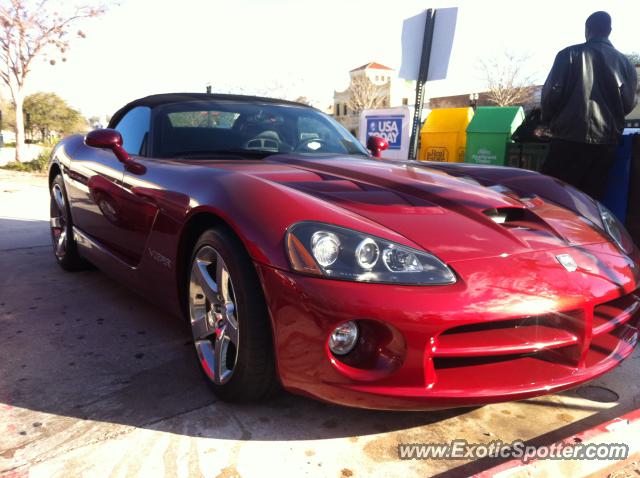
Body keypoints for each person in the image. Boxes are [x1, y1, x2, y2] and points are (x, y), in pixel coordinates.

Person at [541, 11, 637, 200]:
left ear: (587, 30)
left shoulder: (568, 55)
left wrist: (548, 122)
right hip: (605, 144)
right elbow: (628, 103)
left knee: (555, 201)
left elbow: (551, 94)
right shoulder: (625, 63)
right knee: (591, 203)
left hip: (567, 138)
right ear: (609, 31)